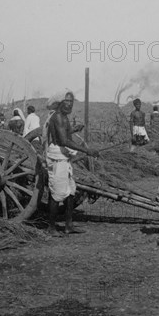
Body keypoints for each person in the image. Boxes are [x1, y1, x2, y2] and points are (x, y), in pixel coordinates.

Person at [44, 91, 99, 236]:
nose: (69, 104)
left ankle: (69, 225)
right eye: (67, 101)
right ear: (60, 102)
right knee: (57, 194)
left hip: (64, 158)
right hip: (58, 159)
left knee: (70, 193)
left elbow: (63, 133)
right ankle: (51, 228)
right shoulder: (58, 117)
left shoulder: (63, 118)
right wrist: (87, 151)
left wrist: (73, 129)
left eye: (71, 102)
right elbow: (63, 140)